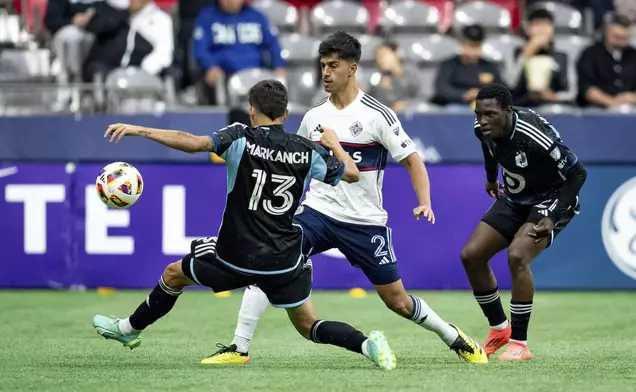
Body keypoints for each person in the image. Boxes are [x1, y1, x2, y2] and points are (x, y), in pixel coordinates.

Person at [203, 31, 488, 366]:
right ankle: (239, 348)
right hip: (317, 212)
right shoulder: (313, 118)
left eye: (333, 65)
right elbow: (293, 162)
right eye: (322, 65)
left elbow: (413, 160)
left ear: (352, 68)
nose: (325, 72)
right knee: (270, 261)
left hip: (364, 221)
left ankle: (453, 337)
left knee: (397, 301)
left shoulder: (376, 114)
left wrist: (424, 200)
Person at [91, 79, 398, 371]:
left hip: (235, 256)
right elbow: (352, 174)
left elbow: (193, 143)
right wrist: (335, 145)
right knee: (308, 325)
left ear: (252, 111)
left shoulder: (240, 137)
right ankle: (367, 345)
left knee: (174, 275)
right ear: (286, 114)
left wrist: (139, 130)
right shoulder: (307, 150)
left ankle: (128, 329)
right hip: (284, 260)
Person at [461, 83, 587, 360]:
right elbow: (488, 147)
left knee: (518, 256)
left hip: (551, 197)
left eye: (490, 114)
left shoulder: (533, 135)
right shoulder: (481, 128)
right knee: (471, 255)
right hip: (516, 198)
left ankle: (519, 343)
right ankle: (499, 329)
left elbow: (578, 173)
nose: (482, 121)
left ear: (508, 111)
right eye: (478, 114)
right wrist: (492, 177)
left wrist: (553, 215)